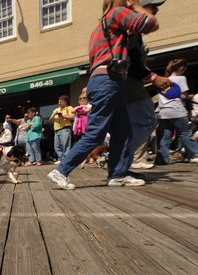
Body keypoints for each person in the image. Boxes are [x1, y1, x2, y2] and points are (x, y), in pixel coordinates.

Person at [47, 0, 159, 190]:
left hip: (105, 81)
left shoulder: (100, 26)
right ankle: (61, 170)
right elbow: (150, 24)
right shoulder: (117, 13)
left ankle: (117, 174)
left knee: (123, 131)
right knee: (96, 131)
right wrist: (135, 6)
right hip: (109, 81)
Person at [124, 0, 172, 170]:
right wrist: (153, 77)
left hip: (129, 80)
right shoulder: (133, 31)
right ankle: (124, 158)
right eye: (153, 8)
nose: (155, 12)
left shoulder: (133, 31)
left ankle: (123, 161)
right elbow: (130, 62)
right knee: (147, 120)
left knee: (129, 123)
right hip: (127, 81)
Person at [155, 58, 198, 164]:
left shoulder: (164, 79)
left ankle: (162, 159)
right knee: (185, 133)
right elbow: (183, 95)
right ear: (182, 68)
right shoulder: (181, 78)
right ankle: (195, 154)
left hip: (164, 112)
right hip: (177, 110)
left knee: (165, 136)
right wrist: (191, 96)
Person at [49, 95, 75, 163]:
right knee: (56, 146)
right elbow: (50, 121)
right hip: (56, 130)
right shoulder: (56, 110)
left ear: (65, 102)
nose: (59, 103)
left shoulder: (69, 108)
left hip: (65, 129)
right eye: (58, 102)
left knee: (66, 145)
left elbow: (73, 117)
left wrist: (64, 116)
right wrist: (54, 114)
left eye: (60, 102)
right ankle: (61, 159)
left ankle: (65, 159)